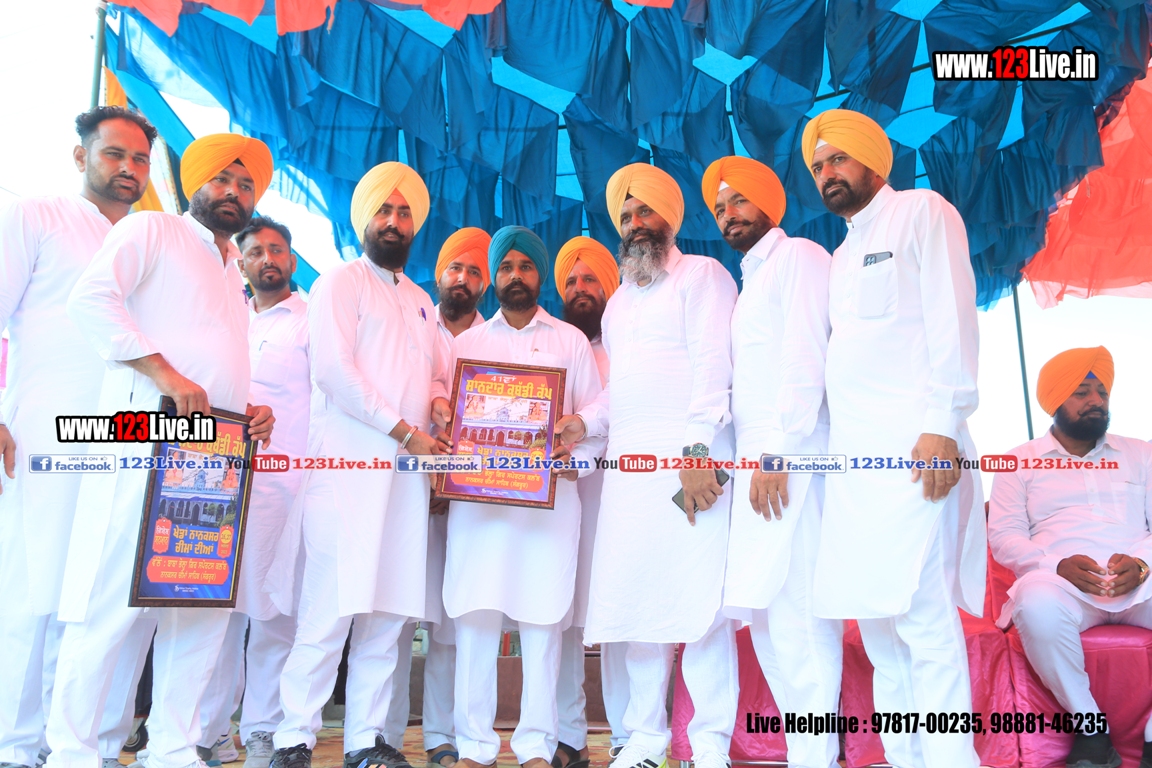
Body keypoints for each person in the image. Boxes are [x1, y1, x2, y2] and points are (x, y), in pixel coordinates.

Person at [48, 133, 276, 768]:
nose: (233, 192)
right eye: (222, 178)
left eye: (246, 185)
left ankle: (173, 747)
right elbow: (89, 301)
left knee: (198, 605)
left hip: (217, 456)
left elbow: (215, 362)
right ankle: (72, 752)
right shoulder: (152, 230)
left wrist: (250, 409)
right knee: (109, 602)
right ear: (191, 183)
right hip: (143, 437)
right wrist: (166, 375)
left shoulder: (231, 270)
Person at [803, 109, 985, 768]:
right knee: (879, 630)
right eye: (818, 166)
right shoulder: (841, 256)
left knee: (922, 617)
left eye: (837, 159)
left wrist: (943, 424)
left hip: (915, 451)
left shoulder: (922, 212)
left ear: (874, 160)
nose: (827, 173)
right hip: (855, 470)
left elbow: (952, 320)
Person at [558, 163, 739, 768]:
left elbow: (714, 367)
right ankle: (643, 740)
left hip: (691, 469)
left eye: (645, 212)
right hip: (628, 481)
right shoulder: (617, 307)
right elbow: (622, 391)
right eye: (626, 216)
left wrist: (698, 451)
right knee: (637, 608)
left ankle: (709, 746)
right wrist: (585, 423)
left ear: (670, 218)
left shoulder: (702, 276)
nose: (635, 224)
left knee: (700, 610)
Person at [269, 162, 449, 768]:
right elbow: (333, 372)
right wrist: (405, 431)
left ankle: (365, 742)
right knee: (328, 610)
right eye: (384, 211)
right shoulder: (340, 283)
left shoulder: (421, 301)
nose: (394, 222)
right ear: (365, 219)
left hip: (404, 484)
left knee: (388, 615)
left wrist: (439, 402)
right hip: (348, 474)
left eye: (404, 213)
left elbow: (434, 373)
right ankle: (295, 738)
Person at [0, 105, 155, 768]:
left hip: (129, 437)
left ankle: (75, 745)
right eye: (114, 153)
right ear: (81, 156)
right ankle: (14, 746)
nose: (128, 168)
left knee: (95, 594)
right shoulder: (38, 216)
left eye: (140, 159)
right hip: (45, 433)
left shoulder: (150, 239)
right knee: (32, 589)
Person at [435, 226, 603, 768]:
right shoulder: (466, 346)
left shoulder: (570, 342)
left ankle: (535, 746)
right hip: (479, 509)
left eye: (525, 266)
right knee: (475, 621)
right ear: (495, 276)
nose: (515, 276)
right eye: (505, 267)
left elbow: (597, 418)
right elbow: (442, 416)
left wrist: (576, 456)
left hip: (548, 510)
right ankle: (474, 746)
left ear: (539, 275)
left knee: (542, 624)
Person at [703, 156, 842, 768]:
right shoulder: (748, 284)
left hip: (793, 455)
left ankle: (818, 757)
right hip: (755, 464)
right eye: (719, 208)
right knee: (766, 620)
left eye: (739, 200)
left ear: (768, 203)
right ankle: (808, 752)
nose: (728, 214)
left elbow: (805, 358)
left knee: (799, 619)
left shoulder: (800, 257)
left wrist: (781, 453)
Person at [990, 347, 1152, 768]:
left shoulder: (1143, 453)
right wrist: (1055, 565)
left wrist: (1142, 565)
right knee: (1036, 604)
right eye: (1081, 392)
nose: (1096, 401)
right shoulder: (1016, 462)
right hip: (1061, 585)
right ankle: (1090, 727)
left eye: (1102, 392)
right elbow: (1004, 536)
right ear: (1055, 400)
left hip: (1141, 582)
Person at [197, 217, 311, 768]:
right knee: (213, 614)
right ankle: (209, 730)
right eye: (257, 251)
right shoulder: (225, 317)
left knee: (273, 615)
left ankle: (264, 727)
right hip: (217, 485)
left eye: (277, 249)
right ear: (240, 263)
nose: (268, 258)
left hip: (284, 491)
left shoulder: (311, 323)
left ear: (292, 260)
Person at [385, 227, 491, 768]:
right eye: (456, 268)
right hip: (405, 492)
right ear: (439, 274)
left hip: (468, 501)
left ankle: (441, 737)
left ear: (485, 284)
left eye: (474, 271)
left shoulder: (492, 340)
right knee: (397, 616)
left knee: (451, 623)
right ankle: (384, 735)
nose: (463, 279)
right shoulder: (415, 324)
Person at [551, 236, 626, 766]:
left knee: (618, 615)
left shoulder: (628, 344)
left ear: (610, 286)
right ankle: (568, 737)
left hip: (617, 500)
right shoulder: (553, 348)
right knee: (562, 616)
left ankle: (627, 736)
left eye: (590, 279)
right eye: (572, 281)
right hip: (559, 499)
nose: (580, 289)